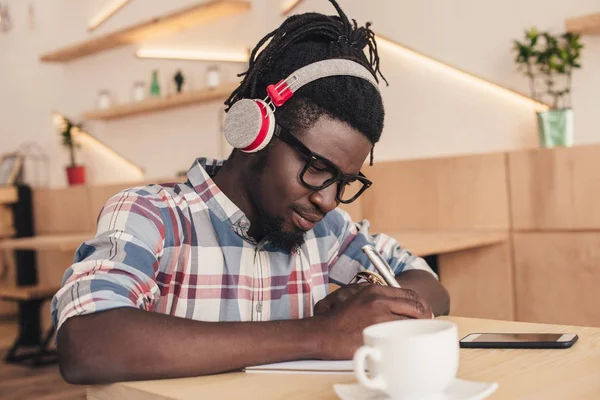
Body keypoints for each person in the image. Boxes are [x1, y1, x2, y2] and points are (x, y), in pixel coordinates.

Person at [52, 0, 450, 385]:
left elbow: (428, 284)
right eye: (316, 169)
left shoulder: (326, 233)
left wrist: (368, 301)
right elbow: (88, 342)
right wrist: (321, 333)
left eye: (344, 182)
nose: (327, 201)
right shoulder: (152, 215)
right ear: (253, 131)